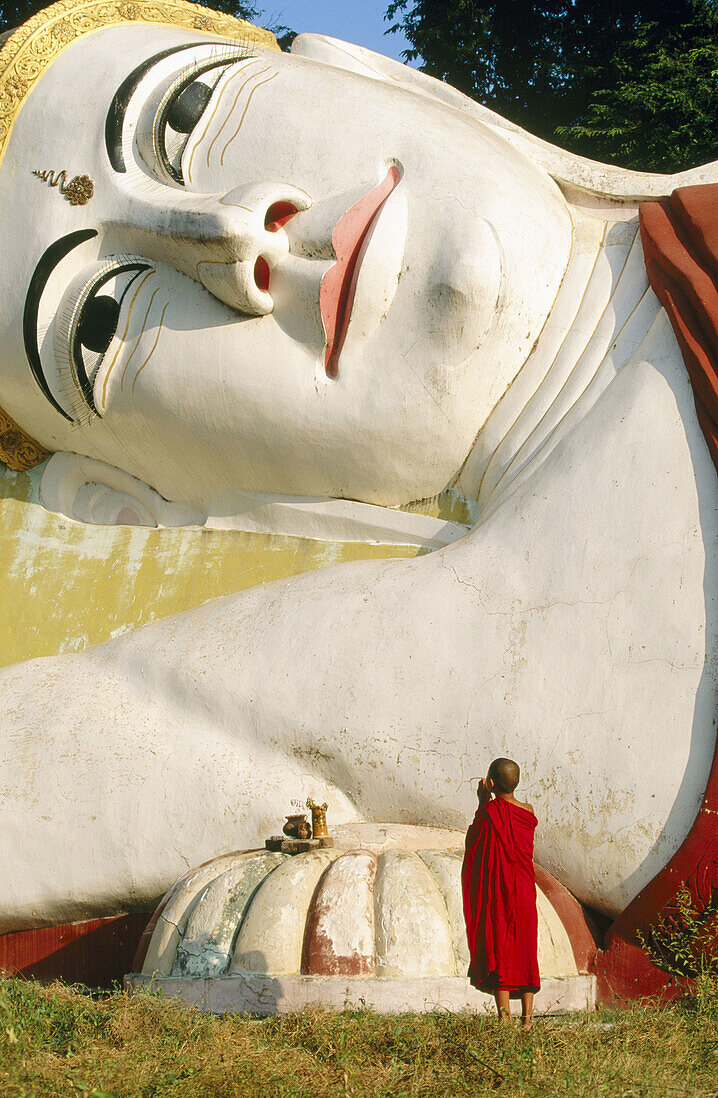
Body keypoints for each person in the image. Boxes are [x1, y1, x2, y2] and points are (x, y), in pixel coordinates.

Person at [0, 0, 717, 947]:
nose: (236, 236)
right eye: (96, 327)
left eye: (183, 114)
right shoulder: (392, 674)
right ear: (138, 500)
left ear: (368, 70)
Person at [462, 758, 539, 1030]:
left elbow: (473, 846)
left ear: (490, 784)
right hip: (526, 892)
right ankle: (527, 1019)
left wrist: (482, 804)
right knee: (527, 950)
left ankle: (504, 1020)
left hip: (501, 892)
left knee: (502, 949)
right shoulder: (528, 812)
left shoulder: (489, 813)